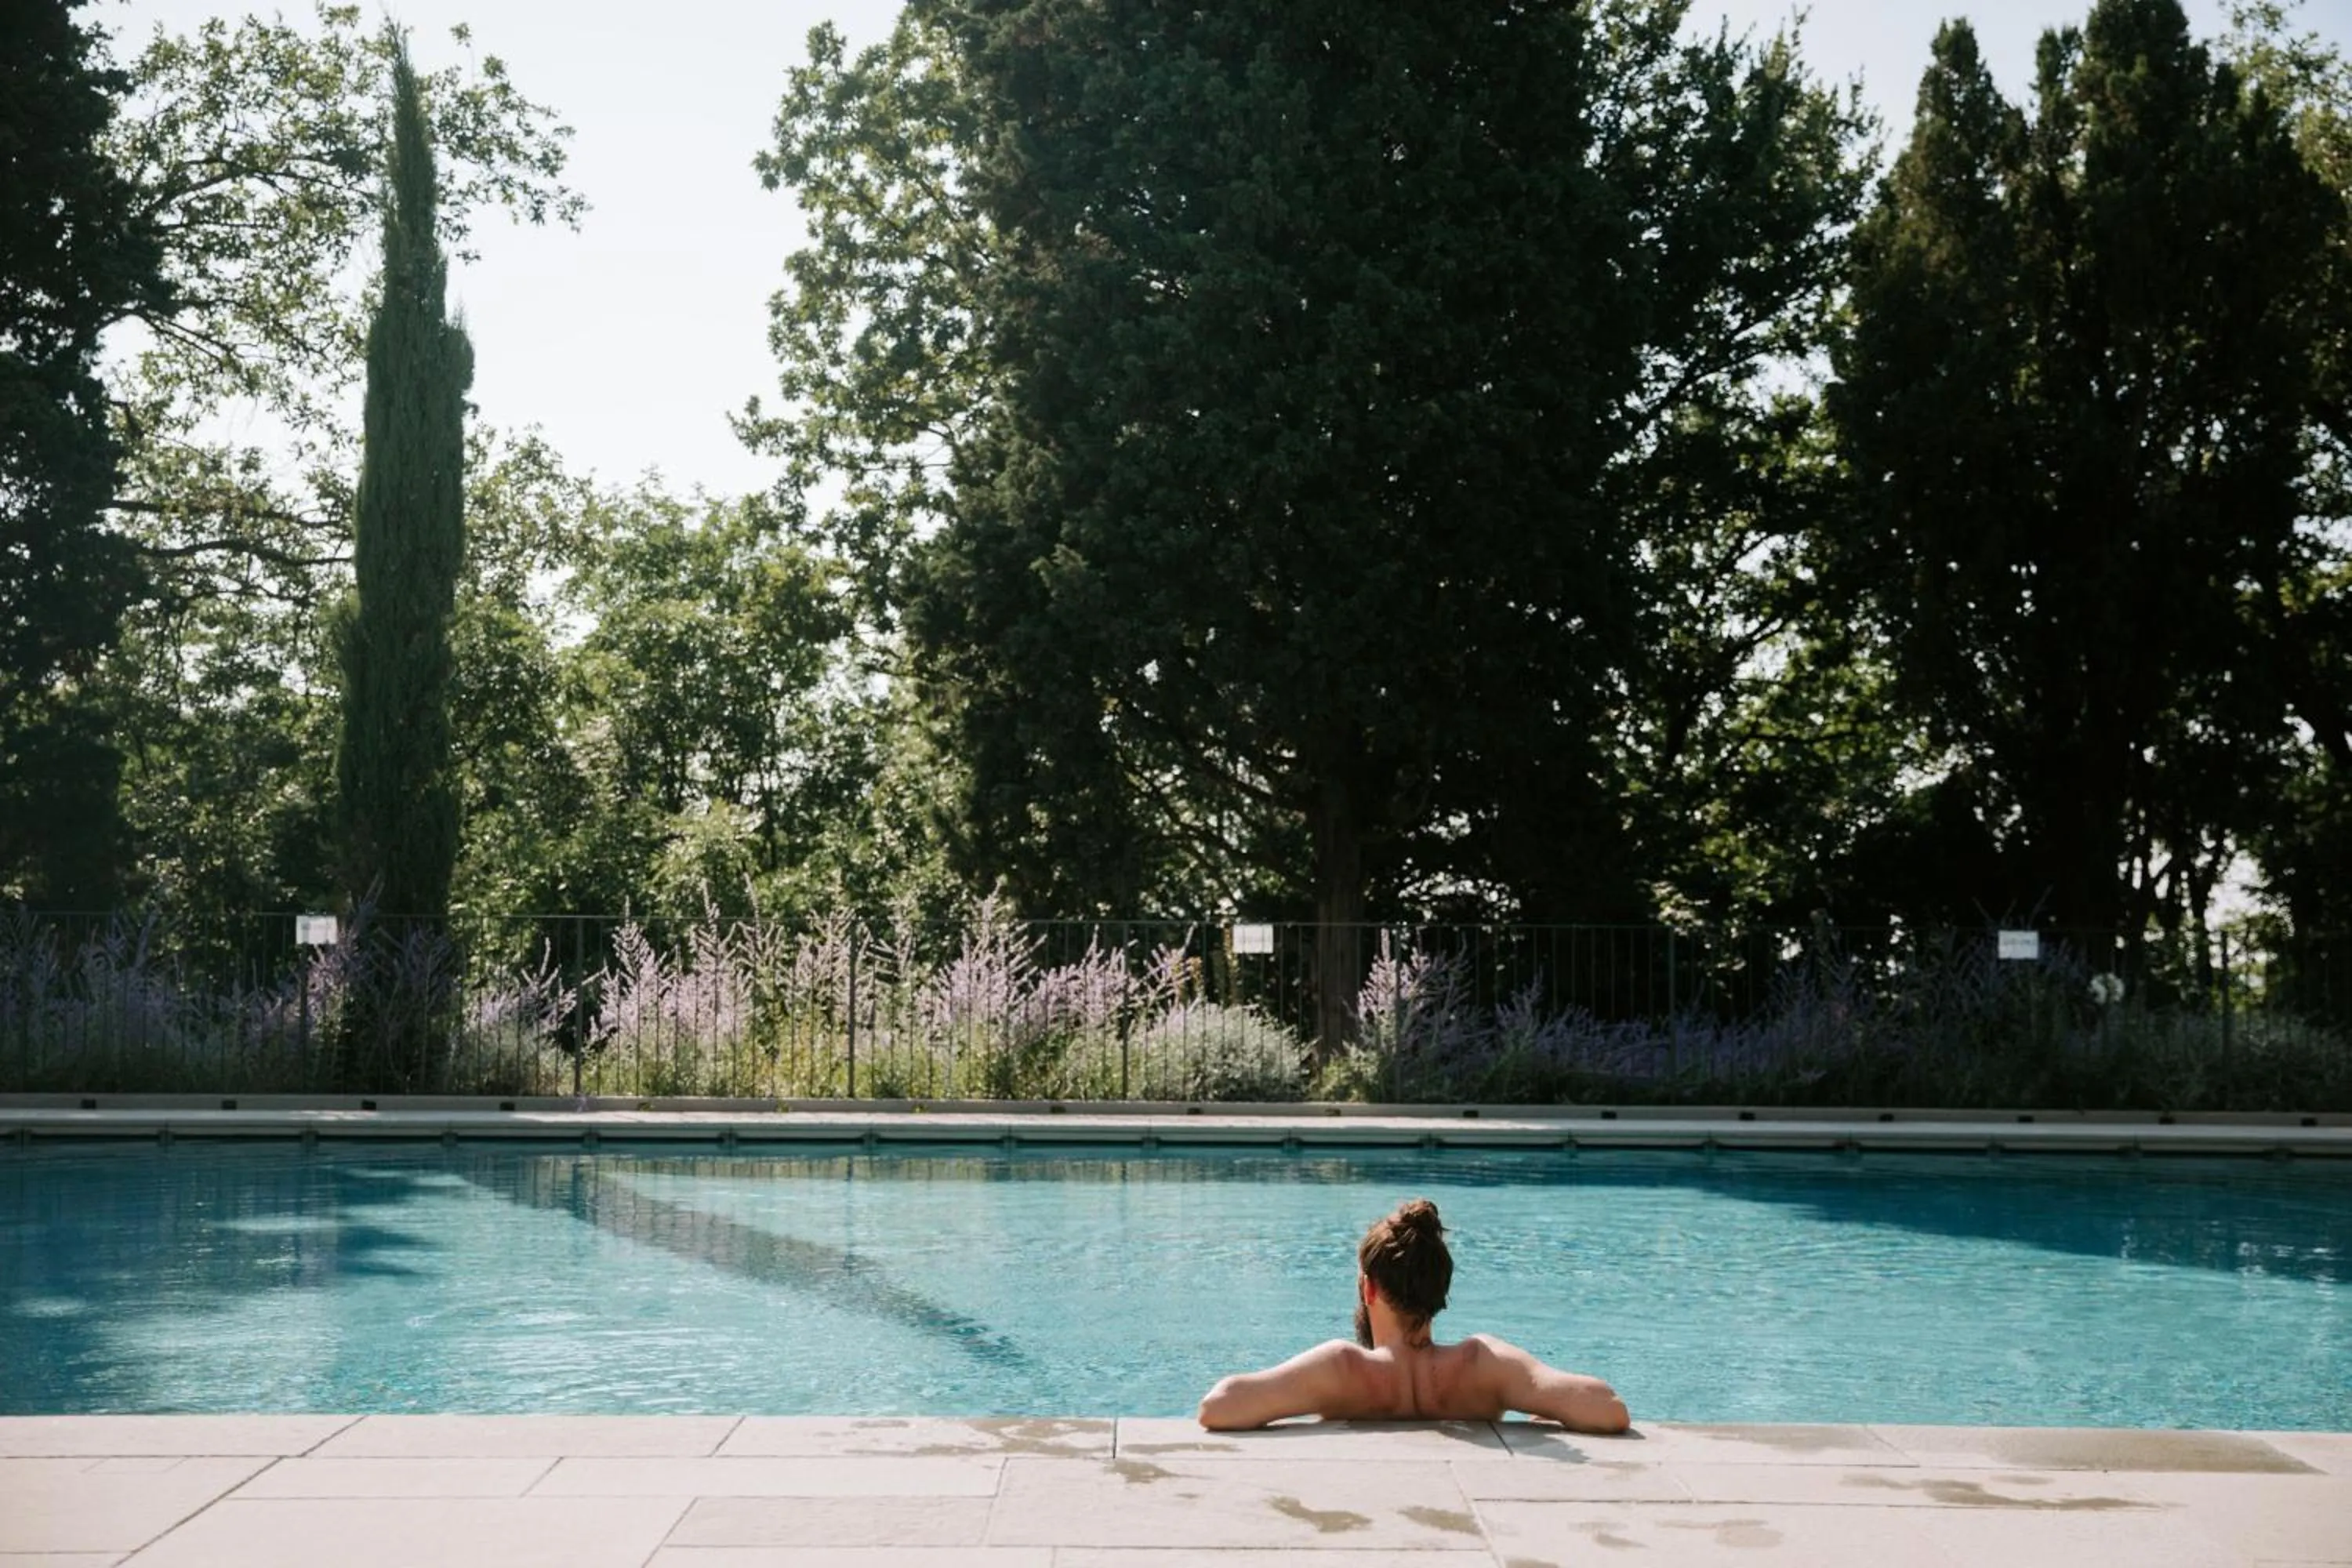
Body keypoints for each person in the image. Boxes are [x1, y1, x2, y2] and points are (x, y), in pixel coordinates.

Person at [1196, 1198, 1631, 1432]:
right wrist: (1551, 1408)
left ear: (1369, 1288)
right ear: (1440, 1290)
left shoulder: (1341, 1370)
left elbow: (1219, 1407)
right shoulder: (1483, 1363)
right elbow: (1608, 1408)